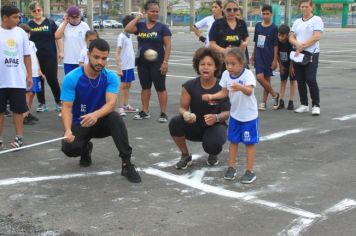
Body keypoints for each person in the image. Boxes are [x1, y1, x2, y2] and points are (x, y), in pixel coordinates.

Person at [60, 39, 141, 183]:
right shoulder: (72, 78)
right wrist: (67, 130)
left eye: (104, 58)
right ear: (88, 54)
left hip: (101, 121)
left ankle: (127, 164)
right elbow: (66, 107)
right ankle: (85, 148)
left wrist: (96, 114)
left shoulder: (110, 77)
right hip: (81, 122)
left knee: (115, 118)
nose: (100, 62)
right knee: (69, 148)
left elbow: (111, 104)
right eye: (96, 57)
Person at [202, 47, 258, 184]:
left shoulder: (247, 74)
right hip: (235, 115)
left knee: (249, 143)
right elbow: (223, 92)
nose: (230, 67)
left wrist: (241, 88)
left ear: (241, 63)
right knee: (233, 141)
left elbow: (250, 91)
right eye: (227, 63)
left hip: (249, 116)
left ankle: (250, 171)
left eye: (233, 64)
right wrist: (212, 95)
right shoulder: (226, 74)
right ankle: (231, 167)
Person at [169, 47, 230, 169]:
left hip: (215, 126)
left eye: (209, 64)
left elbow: (227, 113)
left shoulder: (222, 87)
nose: (205, 67)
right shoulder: (189, 86)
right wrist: (186, 114)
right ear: (198, 66)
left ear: (216, 67)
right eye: (202, 64)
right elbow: (182, 108)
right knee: (175, 122)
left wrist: (216, 117)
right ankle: (185, 155)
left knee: (212, 145)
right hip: (195, 125)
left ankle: (213, 153)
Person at [125, 0, 172, 123]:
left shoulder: (163, 28)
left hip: (158, 62)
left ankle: (163, 113)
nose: (155, 13)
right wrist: (138, 18)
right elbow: (128, 28)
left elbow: (168, 45)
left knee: (160, 88)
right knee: (145, 87)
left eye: (157, 11)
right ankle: (145, 111)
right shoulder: (140, 26)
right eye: (152, 11)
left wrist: (165, 62)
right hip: (142, 62)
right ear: (146, 12)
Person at [0, 5, 32, 149]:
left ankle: (19, 137)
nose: (18, 19)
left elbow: (27, 55)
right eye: (15, 17)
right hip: (1, 80)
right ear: (5, 17)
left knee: (18, 110)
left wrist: (30, 75)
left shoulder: (21, 33)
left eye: (19, 16)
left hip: (17, 79)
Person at [289, 0, 324, 115]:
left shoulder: (316, 20)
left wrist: (302, 46)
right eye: (302, 7)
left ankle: (316, 105)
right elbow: (291, 36)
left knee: (310, 79)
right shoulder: (297, 21)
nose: (304, 9)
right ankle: (304, 104)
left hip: (312, 54)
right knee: (300, 80)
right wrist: (297, 44)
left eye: (306, 6)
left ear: (311, 7)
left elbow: (317, 36)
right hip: (298, 54)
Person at [28, 1, 63, 113]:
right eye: (34, 11)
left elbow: (58, 37)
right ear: (31, 12)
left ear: (42, 10)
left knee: (52, 79)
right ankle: (42, 103)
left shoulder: (50, 22)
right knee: (38, 80)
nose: (37, 12)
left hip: (50, 56)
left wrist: (61, 51)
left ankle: (59, 102)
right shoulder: (29, 25)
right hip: (35, 59)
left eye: (39, 10)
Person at [250, 4, 279, 111]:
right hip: (259, 56)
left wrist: (275, 60)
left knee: (267, 79)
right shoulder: (258, 26)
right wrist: (253, 55)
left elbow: (276, 45)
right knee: (259, 77)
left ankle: (263, 102)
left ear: (271, 14)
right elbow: (256, 42)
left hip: (269, 56)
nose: (265, 16)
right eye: (264, 13)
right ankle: (275, 94)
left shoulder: (274, 28)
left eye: (267, 14)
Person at [209, 0, 249, 75]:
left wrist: (245, 43)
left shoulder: (242, 23)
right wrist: (224, 50)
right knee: (223, 83)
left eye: (235, 9)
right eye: (229, 9)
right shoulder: (217, 24)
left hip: (239, 59)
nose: (232, 12)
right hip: (223, 61)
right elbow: (212, 43)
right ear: (223, 10)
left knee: (240, 83)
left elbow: (246, 37)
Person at [19, 23, 44, 125]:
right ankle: (24, 115)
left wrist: (39, 70)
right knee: (27, 93)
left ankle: (28, 112)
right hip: (26, 73)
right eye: (25, 33)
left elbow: (35, 57)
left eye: (28, 32)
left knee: (32, 93)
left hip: (35, 72)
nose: (27, 34)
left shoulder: (32, 43)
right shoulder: (19, 45)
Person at [55, 5, 90, 75]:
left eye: (76, 17)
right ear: (68, 17)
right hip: (69, 60)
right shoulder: (64, 25)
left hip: (82, 60)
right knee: (71, 82)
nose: (74, 19)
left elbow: (91, 40)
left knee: (83, 82)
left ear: (80, 16)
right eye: (72, 17)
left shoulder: (84, 26)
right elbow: (57, 36)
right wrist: (65, 22)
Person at [115, 15, 139, 116]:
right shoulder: (121, 36)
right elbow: (117, 53)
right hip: (124, 66)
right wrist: (119, 68)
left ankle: (125, 105)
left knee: (128, 85)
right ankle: (119, 107)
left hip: (130, 66)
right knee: (122, 85)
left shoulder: (129, 35)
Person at [275, 24, 296, 110]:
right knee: (283, 81)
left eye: (283, 36)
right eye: (279, 35)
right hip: (283, 64)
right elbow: (277, 55)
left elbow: (293, 55)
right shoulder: (278, 42)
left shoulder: (290, 43)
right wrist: (280, 66)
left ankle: (291, 101)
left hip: (292, 64)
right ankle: (281, 101)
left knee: (292, 82)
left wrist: (291, 67)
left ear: (287, 35)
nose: (280, 37)